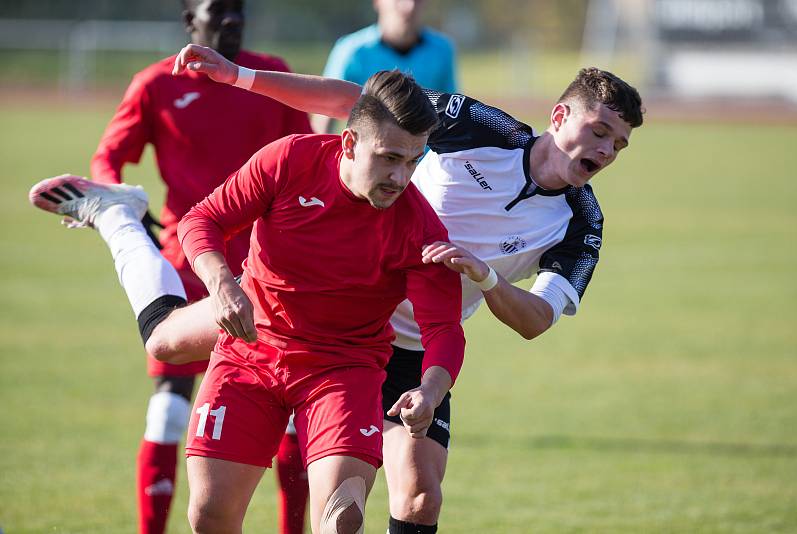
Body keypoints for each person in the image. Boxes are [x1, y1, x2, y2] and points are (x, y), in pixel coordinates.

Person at [168, 44, 644, 534]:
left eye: (619, 144)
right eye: (600, 131)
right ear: (560, 115)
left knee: (418, 496)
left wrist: (485, 276)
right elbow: (358, 104)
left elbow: (537, 319)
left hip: (411, 344)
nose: (606, 150)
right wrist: (238, 76)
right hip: (320, 302)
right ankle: (119, 220)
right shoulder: (484, 129)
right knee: (165, 342)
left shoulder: (581, 221)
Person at [30, 70, 466, 534]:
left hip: (342, 370)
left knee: (341, 518)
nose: (401, 177)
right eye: (389, 159)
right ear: (349, 143)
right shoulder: (290, 160)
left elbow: (444, 330)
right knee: (209, 513)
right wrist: (222, 285)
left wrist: (431, 391)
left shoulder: (420, 228)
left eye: (414, 162)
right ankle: (120, 217)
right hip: (251, 351)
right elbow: (203, 220)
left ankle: (118, 216)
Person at [88, 1, 312, 532]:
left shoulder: (272, 76)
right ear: (191, 22)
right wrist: (125, 205)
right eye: (219, 10)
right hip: (188, 268)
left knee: (292, 409)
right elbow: (106, 158)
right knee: (169, 408)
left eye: (239, 10)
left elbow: (307, 153)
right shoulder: (155, 84)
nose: (232, 20)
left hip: (270, 272)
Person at [316, 0, 457, 133]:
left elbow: (451, 112)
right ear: (378, 2)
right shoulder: (350, 50)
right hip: (367, 156)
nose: (409, 6)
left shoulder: (442, 49)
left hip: (425, 157)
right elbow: (324, 115)